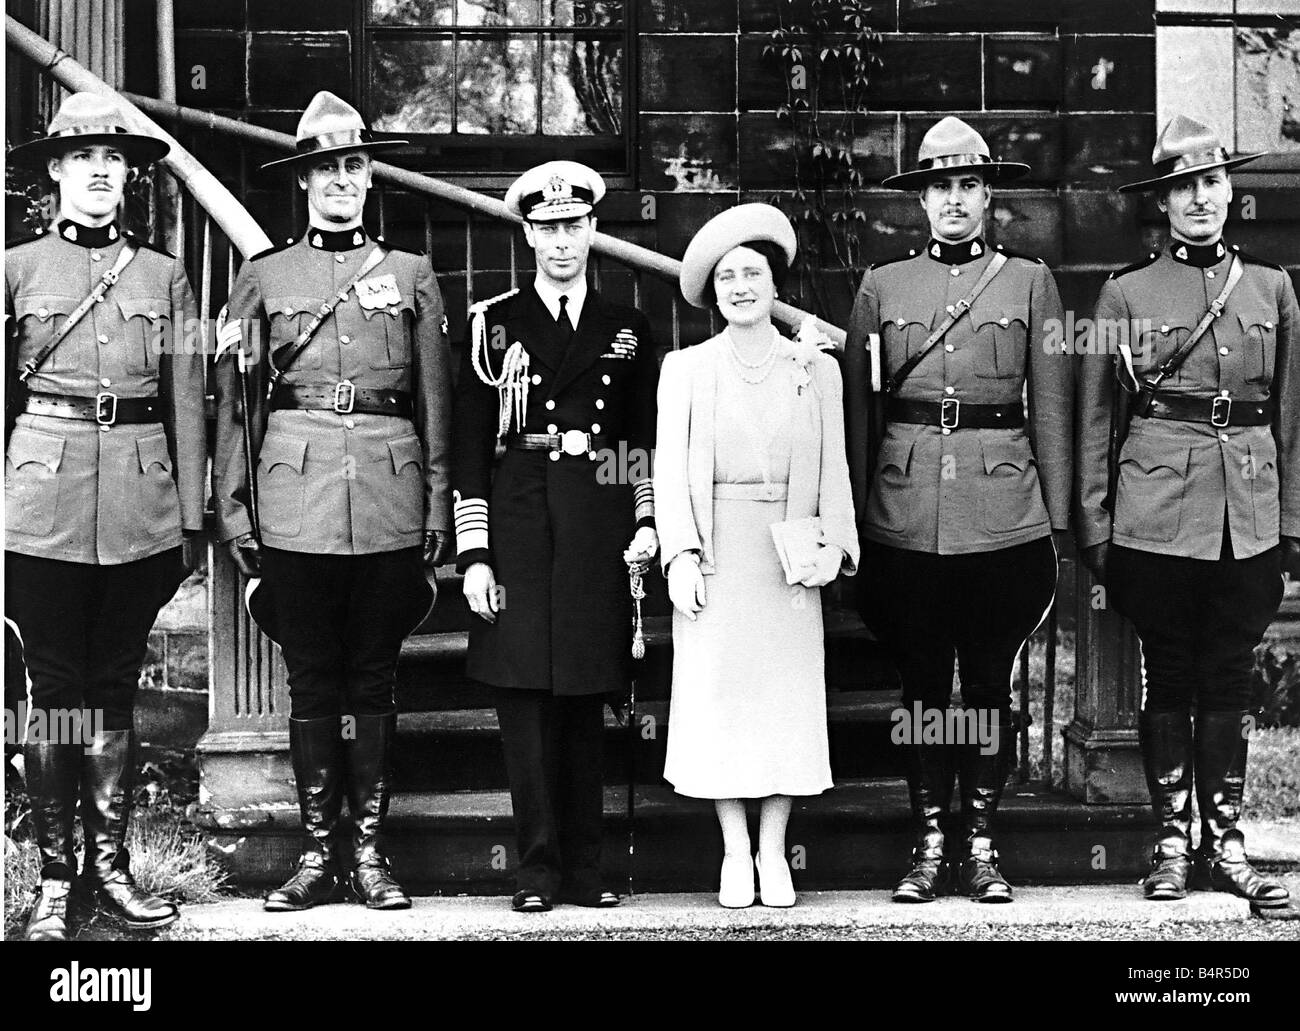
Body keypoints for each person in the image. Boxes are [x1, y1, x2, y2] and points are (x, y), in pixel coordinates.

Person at [212, 91, 453, 912]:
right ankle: (318, 856)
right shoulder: (265, 276)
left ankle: (370, 852)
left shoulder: (413, 274)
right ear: (304, 181)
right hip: (294, 500)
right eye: (326, 169)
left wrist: (436, 507)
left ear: (369, 176)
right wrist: (236, 511)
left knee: (375, 680)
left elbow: (435, 399)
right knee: (314, 680)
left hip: (388, 493)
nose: (341, 181)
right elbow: (234, 404)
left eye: (353, 165)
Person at [843, 117, 1074, 903]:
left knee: (985, 685)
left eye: (967, 185)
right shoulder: (883, 285)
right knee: (918, 685)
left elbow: (1050, 409)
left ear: (987, 194)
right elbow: (859, 416)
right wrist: (850, 512)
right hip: (904, 512)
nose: (953, 199)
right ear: (921, 199)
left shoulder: (1029, 282)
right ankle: (927, 837)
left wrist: (1062, 517)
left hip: (1002, 510)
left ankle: (979, 839)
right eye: (939, 185)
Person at [1075, 115, 1296, 908]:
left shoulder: (1272, 287)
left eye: (1210, 182)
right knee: (1167, 671)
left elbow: (1293, 417)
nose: (1198, 198)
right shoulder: (1125, 292)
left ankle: (1227, 843)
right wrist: (1094, 522)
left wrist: (1291, 523)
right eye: (1182, 187)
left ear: (1230, 191)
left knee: (1229, 676)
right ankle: (1172, 840)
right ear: (1162, 202)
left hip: (1249, 510)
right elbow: (1098, 419)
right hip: (1156, 508)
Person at [5, 93, 205, 940]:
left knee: (114, 682)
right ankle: (56, 880)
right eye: (81, 155)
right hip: (41, 500)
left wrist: (191, 512)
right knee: (55, 689)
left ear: (129, 175)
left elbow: (189, 395)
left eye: (112, 159)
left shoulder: (165, 276)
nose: (98, 170)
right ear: (55, 170)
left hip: (139, 496)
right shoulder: (14, 269)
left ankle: (111, 870)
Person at [452, 160, 659, 912]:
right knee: (525, 703)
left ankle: (586, 870)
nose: (562, 241)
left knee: (584, 694)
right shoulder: (491, 323)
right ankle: (535, 870)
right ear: (528, 233)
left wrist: (645, 518)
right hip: (517, 517)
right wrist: (473, 554)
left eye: (575, 226)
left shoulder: (628, 327)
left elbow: (640, 440)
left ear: (595, 231)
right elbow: (471, 450)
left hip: (596, 518)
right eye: (548, 228)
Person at [655, 204, 859, 908]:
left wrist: (835, 542)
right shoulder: (686, 369)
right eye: (729, 276)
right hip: (718, 554)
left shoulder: (814, 367)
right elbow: (669, 471)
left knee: (784, 703)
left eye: (755, 273)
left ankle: (775, 850)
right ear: (713, 292)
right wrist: (679, 554)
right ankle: (734, 851)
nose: (742, 286)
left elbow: (836, 465)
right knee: (722, 701)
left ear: (776, 285)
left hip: (788, 556)